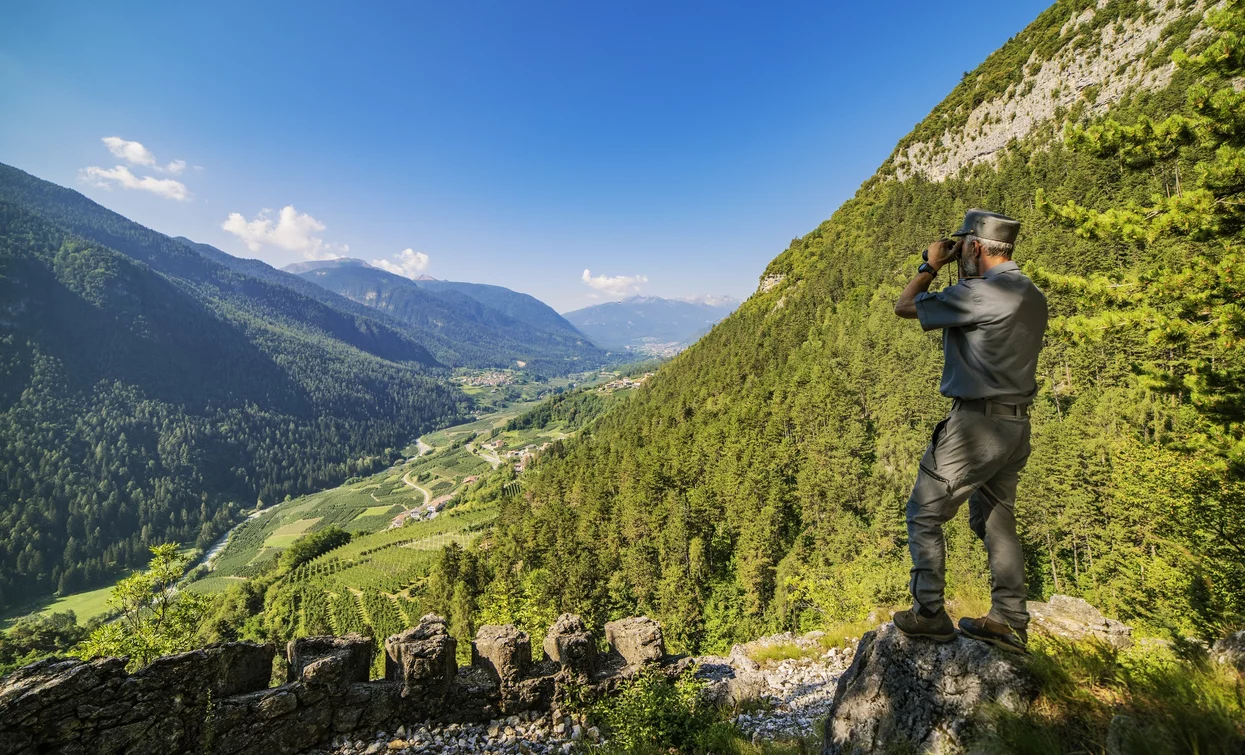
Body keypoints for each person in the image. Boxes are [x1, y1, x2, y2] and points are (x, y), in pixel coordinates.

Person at [890, 209, 1048, 654]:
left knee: (924, 512)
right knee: (997, 519)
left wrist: (931, 265)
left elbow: (905, 306)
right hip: (1016, 424)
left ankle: (929, 614)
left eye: (964, 248)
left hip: (977, 424)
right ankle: (1009, 620)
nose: (961, 255)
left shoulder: (980, 294)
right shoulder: (1032, 293)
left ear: (976, 247)